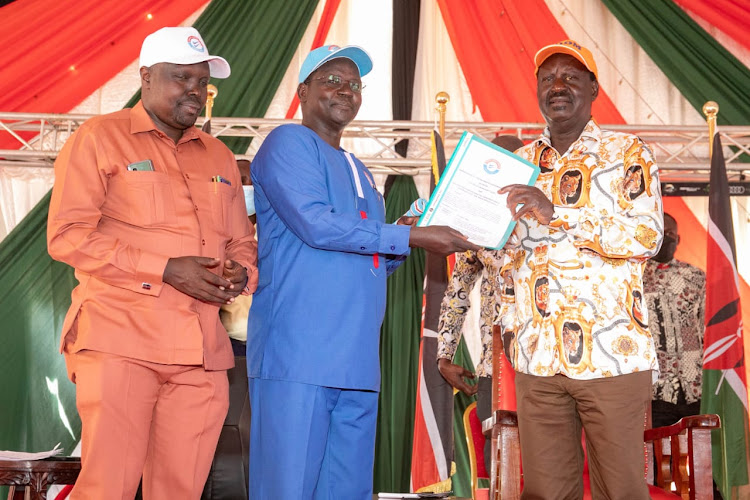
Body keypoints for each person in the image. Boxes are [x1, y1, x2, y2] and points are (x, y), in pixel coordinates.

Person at [247, 44, 478, 500]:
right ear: (302, 91)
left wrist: (404, 234)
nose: (345, 90)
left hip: (356, 363)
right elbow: (316, 224)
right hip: (300, 357)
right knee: (287, 490)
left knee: (347, 492)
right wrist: (406, 238)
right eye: (332, 79)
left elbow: (368, 263)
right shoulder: (287, 143)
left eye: (354, 85)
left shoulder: (360, 170)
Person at [47, 27, 257, 500]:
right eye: (180, 78)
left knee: (180, 492)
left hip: (201, 355)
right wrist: (164, 268)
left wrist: (240, 272)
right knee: (109, 488)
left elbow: (243, 242)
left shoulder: (220, 155)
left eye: (202, 82)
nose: (194, 91)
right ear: (145, 77)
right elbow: (66, 236)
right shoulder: (99, 138)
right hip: (121, 340)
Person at [496, 40, 663, 499]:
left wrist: (560, 214)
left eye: (570, 75)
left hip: (611, 357)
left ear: (593, 86)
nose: (558, 85)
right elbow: (500, 255)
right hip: (537, 357)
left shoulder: (627, 152)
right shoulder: (518, 164)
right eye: (547, 78)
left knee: (621, 490)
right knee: (545, 493)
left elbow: (647, 237)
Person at [436, 134, 523, 468]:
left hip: (548, 365)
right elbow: (456, 295)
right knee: (502, 465)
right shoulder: (477, 225)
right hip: (495, 366)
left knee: (551, 461)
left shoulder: (549, 216)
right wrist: (444, 354)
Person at [643, 213, 705, 428]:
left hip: (693, 385)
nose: (667, 237)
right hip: (654, 387)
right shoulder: (633, 276)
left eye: (671, 234)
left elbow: (705, 328)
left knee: (699, 451)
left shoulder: (695, 277)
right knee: (655, 453)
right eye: (662, 233)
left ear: (678, 240)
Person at [219, 159, 256, 357]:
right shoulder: (218, 233)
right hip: (228, 341)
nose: (248, 187)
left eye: (253, 184)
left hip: (265, 342)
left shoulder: (273, 236)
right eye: (242, 181)